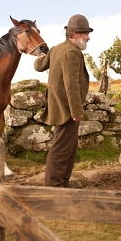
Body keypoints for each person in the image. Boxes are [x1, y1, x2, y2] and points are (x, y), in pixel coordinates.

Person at [34, 14, 92, 187]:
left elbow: (39, 66)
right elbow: (71, 84)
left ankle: (63, 182)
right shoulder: (71, 52)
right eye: (85, 34)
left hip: (59, 104)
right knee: (61, 148)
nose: (88, 37)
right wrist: (76, 111)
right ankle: (53, 187)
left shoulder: (57, 49)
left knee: (70, 146)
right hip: (65, 107)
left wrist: (41, 55)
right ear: (74, 34)